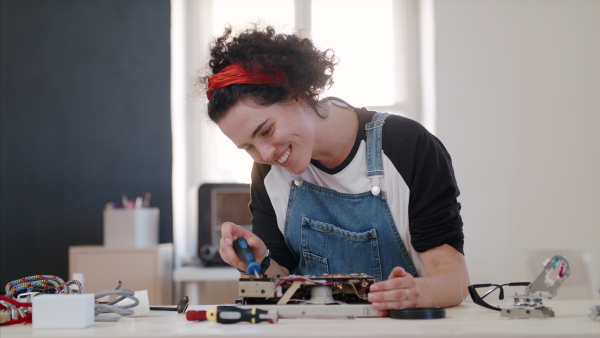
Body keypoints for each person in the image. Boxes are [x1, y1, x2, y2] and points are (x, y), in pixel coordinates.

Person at [200, 25, 469, 316]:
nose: (265, 154)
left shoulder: (406, 145)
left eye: (266, 130)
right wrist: (260, 262)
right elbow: (274, 290)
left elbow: (454, 280)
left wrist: (414, 292)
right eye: (249, 147)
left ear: (297, 95)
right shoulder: (267, 173)